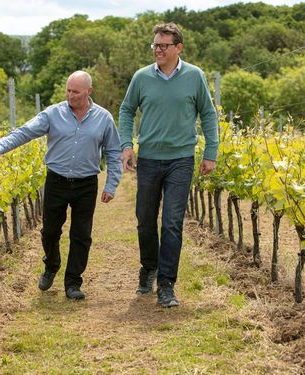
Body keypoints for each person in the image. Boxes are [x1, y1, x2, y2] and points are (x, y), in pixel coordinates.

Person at [0, 71, 122, 300]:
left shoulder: (104, 118)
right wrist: (0, 147)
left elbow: (114, 152)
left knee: (81, 235)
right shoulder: (53, 113)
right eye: (68, 91)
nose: (70, 96)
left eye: (76, 92)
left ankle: (73, 283)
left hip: (86, 183)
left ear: (89, 91)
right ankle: (51, 265)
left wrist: (111, 184)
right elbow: (25, 132)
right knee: (49, 231)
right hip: (56, 181)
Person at [119, 23, 219, 308]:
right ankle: (148, 267)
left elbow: (208, 115)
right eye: (155, 45)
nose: (158, 50)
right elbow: (126, 110)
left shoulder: (194, 76)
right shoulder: (141, 78)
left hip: (181, 159)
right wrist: (127, 144)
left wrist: (210, 152)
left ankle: (166, 284)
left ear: (178, 48)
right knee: (145, 220)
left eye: (163, 45)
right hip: (149, 159)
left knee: (172, 223)